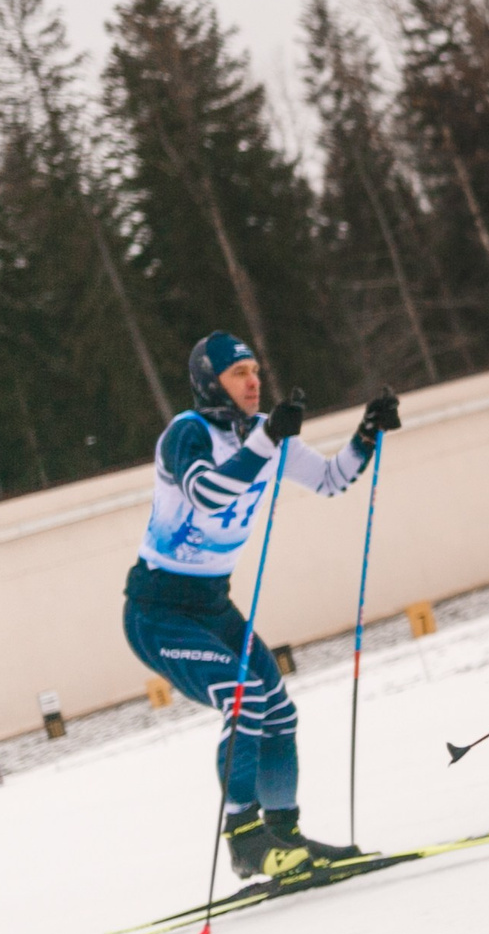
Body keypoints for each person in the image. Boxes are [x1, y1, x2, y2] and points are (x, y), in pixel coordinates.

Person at [122, 332, 402, 880]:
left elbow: (331, 480)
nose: (254, 382)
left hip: (212, 604)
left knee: (276, 709)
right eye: (239, 373)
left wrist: (367, 434)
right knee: (243, 696)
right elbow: (206, 493)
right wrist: (267, 439)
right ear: (210, 382)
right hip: (158, 611)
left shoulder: (264, 435)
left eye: (255, 370)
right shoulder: (187, 433)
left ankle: (284, 835)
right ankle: (245, 841)